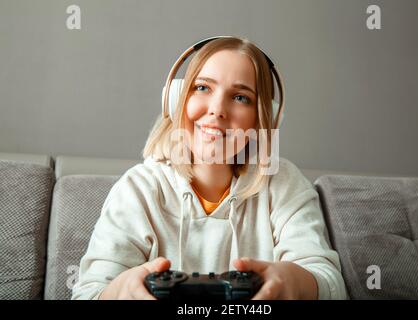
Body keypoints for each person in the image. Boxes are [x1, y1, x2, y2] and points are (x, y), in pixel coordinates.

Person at [71, 36, 347, 300]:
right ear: (177, 99)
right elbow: (88, 293)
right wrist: (119, 291)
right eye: (202, 87)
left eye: (240, 97)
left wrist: (293, 281)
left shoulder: (283, 184)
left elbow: (330, 284)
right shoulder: (138, 189)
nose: (217, 110)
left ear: (262, 119)